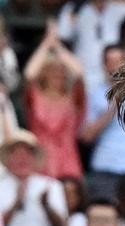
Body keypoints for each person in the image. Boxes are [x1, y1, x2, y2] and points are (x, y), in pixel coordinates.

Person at [79, 44, 125, 201]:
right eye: (111, 61)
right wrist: (114, 104)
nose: (116, 66)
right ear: (104, 65)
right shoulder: (94, 94)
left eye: (119, 61)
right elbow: (86, 136)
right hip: (105, 165)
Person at [23, 20, 85, 179]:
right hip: (39, 164)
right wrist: (46, 44)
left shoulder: (73, 98)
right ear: (43, 73)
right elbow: (29, 74)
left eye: (61, 70)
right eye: (52, 70)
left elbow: (78, 73)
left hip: (68, 165)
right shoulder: (35, 97)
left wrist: (57, 45)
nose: (57, 74)